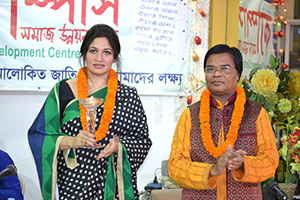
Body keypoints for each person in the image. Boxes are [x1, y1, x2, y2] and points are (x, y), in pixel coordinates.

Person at [28, 24, 152, 200]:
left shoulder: (128, 96)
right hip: (74, 186)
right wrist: (73, 141)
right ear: (84, 54)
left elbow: (142, 141)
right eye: (93, 51)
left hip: (114, 188)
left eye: (107, 52)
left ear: (115, 57)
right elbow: (40, 136)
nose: (99, 58)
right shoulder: (63, 91)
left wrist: (119, 147)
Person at [168, 44, 279, 199]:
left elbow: (270, 161)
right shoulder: (190, 115)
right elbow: (175, 165)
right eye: (210, 69)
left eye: (225, 68)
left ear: (238, 74)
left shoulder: (256, 113)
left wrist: (243, 164)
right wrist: (211, 171)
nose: (217, 74)